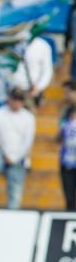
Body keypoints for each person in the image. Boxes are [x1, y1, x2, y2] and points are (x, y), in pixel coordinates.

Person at [11, 36, 53, 106]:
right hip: (11, 89)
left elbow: (47, 71)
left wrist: (39, 87)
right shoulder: (8, 42)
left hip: (30, 90)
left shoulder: (42, 45)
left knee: (29, 115)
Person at [60, 82, 76, 211]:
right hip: (67, 161)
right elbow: (60, 133)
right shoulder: (66, 111)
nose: (66, 96)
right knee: (69, 198)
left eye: (68, 92)